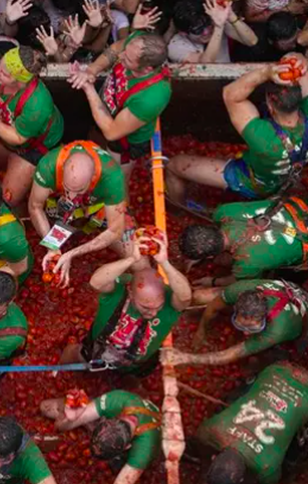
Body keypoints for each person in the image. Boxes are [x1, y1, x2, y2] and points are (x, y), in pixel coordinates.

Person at [166, 55, 308, 206]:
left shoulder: (262, 136)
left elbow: (230, 95)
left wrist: (266, 73)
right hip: (288, 178)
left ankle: (179, 209)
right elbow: (300, 61)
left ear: (270, 106)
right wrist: (296, 61)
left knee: (174, 166)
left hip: (252, 182)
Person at [60, 235, 191, 374]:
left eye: (158, 307)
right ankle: (57, 373)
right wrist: (131, 259)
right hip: (95, 351)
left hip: (136, 364)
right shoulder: (117, 294)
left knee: (132, 378)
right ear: (131, 293)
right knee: (73, 353)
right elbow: (96, 282)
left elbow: (185, 297)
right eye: (145, 307)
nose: (153, 313)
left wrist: (165, 263)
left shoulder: (169, 306)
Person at [0, 45, 64, 208]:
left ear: (21, 81)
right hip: (3, 124)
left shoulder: (38, 103)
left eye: (5, 74)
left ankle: (28, 181)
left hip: (34, 144)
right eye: (0, 66)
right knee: (1, 166)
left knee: (7, 201)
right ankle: (15, 175)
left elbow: (18, 137)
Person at [191, 362, 308, 484]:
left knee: (292, 458)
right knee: (240, 394)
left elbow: (271, 481)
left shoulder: (266, 467)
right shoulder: (213, 429)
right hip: (277, 372)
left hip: (294, 386)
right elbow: (200, 437)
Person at [27, 140, 128, 288]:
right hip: (58, 203)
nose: (72, 197)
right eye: (67, 188)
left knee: (133, 254)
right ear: (62, 169)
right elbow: (35, 206)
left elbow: (115, 230)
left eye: (79, 190)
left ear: (93, 177)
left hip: (98, 207)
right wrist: (52, 246)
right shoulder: (49, 165)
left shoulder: (112, 177)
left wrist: (72, 253)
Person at [39, 390, 161, 484]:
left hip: (156, 440)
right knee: (45, 407)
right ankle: (82, 413)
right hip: (136, 412)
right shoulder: (116, 400)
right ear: (108, 420)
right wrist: (70, 418)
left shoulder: (144, 449)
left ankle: (118, 461)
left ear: (128, 447)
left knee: (116, 468)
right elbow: (61, 426)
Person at [68, 31, 171, 167]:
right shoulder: (137, 44)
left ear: (147, 69)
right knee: (95, 141)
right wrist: (91, 70)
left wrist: (89, 88)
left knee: (113, 170)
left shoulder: (152, 97)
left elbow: (111, 132)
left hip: (125, 140)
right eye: (125, 51)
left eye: (127, 59)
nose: (120, 56)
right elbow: (116, 48)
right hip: (106, 109)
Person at [163, 279, 307, 368]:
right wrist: (201, 331)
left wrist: (186, 358)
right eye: (240, 325)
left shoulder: (277, 330)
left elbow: (233, 353)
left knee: (259, 363)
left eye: (252, 328)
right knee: (200, 296)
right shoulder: (238, 290)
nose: (245, 332)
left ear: (264, 317)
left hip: (299, 322)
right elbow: (213, 307)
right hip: (288, 290)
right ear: (235, 306)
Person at [178, 196, 308, 285]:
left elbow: (237, 281)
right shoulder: (224, 212)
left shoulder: (247, 263)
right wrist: (202, 244)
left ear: (210, 256)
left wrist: (213, 281)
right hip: (300, 207)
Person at [168, 0, 257, 63]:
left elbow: (252, 41)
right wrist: (218, 27)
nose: (206, 32)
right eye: (198, 30)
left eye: (208, 24)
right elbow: (206, 64)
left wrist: (230, 15)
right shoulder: (175, 46)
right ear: (183, 33)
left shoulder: (216, 21)